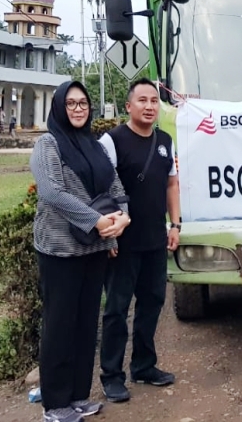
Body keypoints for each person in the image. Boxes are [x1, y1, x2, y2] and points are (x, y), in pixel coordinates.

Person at [30, 80, 131, 422]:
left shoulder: (94, 146)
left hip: (95, 250)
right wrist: (99, 221)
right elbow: (52, 193)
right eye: (71, 103)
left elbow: (115, 186)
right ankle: (55, 404)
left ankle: (78, 395)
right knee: (60, 324)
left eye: (83, 103)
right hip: (60, 250)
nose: (77, 109)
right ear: (59, 107)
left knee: (87, 323)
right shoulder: (48, 144)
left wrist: (122, 220)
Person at [99, 78, 181, 403]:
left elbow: (172, 185)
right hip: (122, 242)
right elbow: (101, 191)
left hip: (154, 240)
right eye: (142, 101)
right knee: (117, 309)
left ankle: (144, 366)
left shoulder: (165, 140)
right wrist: (108, 237)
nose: (149, 106)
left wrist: (175, 224)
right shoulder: (112, 141)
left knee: (152, 304)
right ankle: (111, 375)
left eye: (153, 101)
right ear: (128, 106)